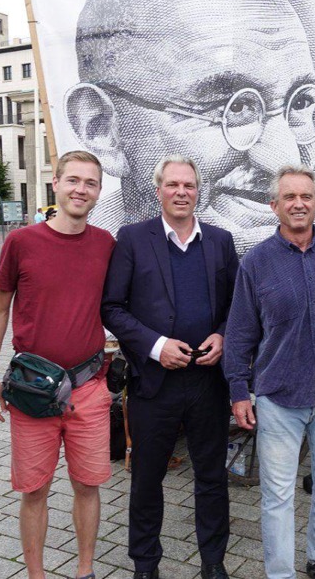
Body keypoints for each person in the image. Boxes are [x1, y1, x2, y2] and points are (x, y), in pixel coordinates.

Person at [64, 0, 315, 253]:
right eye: (235, 108)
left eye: (301, 102)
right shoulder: (93, 265)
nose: (285, 160)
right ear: (102, 129)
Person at [101, 155, 239, 579]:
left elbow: (237, 306)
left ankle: (213, 562)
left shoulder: (220, 241)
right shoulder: (132, 238)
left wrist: (223, 335)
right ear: (158, 189)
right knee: (146, 479)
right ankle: (146, 565)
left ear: (199, 191)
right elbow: (112, 307)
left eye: (189, 185)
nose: (182, 192)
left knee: (212, 478)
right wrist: (156, 346)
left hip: (207, 382)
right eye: (173, 185)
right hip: (154, 382)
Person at [0, 151, 116, 579]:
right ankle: (36, 575)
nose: (81, 189)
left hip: (88, 387)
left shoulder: (106, 244)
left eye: (90, 183)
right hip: (32, 390)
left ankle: (85, 570)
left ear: (99, 191)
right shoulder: (22, 242)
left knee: (88, 485)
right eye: (73, 180)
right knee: (34, 490)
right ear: (55, 183)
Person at [224, 165, 315, 579]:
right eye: (290, 197)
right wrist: (238, 391)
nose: (299, 204)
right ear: (274, 205)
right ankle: (281, 573)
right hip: (279, 398)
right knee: (278, 496)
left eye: (306, 196)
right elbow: (240, 332)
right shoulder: (256, 262)